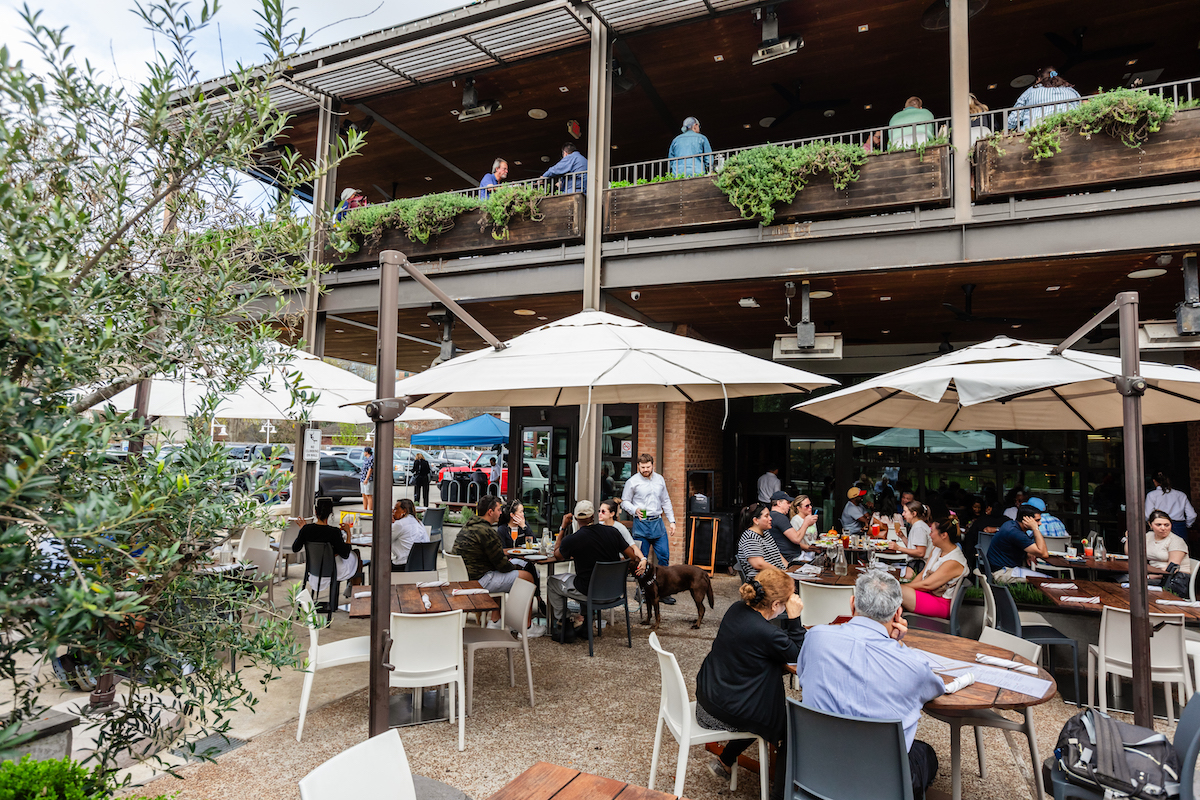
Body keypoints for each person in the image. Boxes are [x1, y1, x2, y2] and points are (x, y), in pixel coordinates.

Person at [797, 570, 943, 799]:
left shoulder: (816, 637)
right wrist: (897, 647)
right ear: (898, 613)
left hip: (816, 767)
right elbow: (935, 690)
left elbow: (803, 677)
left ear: (852, 603)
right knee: (926, 755)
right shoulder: (913, 666)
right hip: (880, 783)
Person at [695, 565, 804, 800]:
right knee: (790, 723)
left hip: (710, 695)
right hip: (726, 710)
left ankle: (725, 760)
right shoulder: (767, 634)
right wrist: (795, 620)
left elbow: (762, 646)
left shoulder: (737, 609)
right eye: (787, 602)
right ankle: (782, 791)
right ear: (776, 606)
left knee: (764, 698)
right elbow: (797, 653)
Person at [549, 500, 646, 643]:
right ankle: (586, 623)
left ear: (575, 518)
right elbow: (631, 555)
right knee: (584, 578)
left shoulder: (574, 539)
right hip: (614, 591)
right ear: (593, 516)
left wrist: (563, 527)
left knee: (552, 582)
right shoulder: (613, 531)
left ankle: (564, 623)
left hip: (589, 591)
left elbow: (557, 555)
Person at [451, 495, 536, 624]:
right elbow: (502, 565)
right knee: (527, 577)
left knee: (500, 576)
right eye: (499, 509)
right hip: (479, 582)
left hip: (463, 580)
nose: (501, 513)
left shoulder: (467, 527)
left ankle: (495, 621)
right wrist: (516, 567)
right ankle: (526, 626)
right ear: (490, 512)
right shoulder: (487, 531)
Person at [900, 516, 968, 619]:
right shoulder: (937, 549)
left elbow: (928, 584)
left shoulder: (954, 561)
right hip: (929, 594)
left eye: (932, 531)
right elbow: (923, 573)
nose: (929, 534)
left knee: (894, 591)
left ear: (944, 535)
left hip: (942, 603)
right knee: (894, 591)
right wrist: (907, 587)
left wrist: (903, 587)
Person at [292, 497, 361, 597]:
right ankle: (353, 590)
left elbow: (295, 548)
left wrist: (303, 531)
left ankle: (351, 588)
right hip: (333, 569)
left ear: (315, 512)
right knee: (356, 553)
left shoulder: (306, 529)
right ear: (330, 513)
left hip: (314, 569)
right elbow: (345, 554)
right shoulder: (334, 532)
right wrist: (348, 535)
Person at [620, 453, 676, 573]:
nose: (645, 470)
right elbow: (624, 502)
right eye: (643, 467)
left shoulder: (659, 479)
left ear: (652, 466)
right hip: (641, 523)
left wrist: (672, 521)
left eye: (648, 467)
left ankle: (663, 586)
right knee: (640, 559)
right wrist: (634, 510)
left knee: (664, 557)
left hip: (657, 522)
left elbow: (665, 500)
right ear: (638, 466)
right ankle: (640, 589)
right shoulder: (632, 482)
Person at [987, 503, 1049, 582]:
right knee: (1046, 580)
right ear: (1026, 520)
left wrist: (1028, 552)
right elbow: (1044, 554)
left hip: (1002, 568)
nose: (1040, 523)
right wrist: (1035, 528)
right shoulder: (1015, 533)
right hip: (1002, 573)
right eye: (1037, 521)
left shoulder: (1010, 524)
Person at [1006, 66, 1081, 131]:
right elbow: (1081, 108)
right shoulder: (1071, 91)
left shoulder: (1030, 91)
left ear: (1039, 79)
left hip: (1035, 130)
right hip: (1068, 127)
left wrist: (1006, 130)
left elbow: (1015, 116)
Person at [1127, 510, 1192, 574]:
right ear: (1150, 525)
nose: (1163, 528)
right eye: (1158, 525)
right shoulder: (1149, 536)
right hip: (1153, 573)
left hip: (1172, 578)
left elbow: (1172, 568)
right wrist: (1129, 538)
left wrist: (1148, 577)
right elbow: (1129, 553)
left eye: (1167, 525)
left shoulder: (1176, 541)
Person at [736, 503, 786, 581]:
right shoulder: (750, 538)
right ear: (756, 520)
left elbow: (777, 555)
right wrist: (782, 572)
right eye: (766, 516)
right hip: (763, 581)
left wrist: (788, 570)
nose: (770, 518)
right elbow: (759, 564)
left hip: (776, 576)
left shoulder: (766, 533)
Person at [1145, 472, 1196, 541]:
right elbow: (1192, 515)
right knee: (1179, 549)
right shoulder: (1181, 495)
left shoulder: (1151, 495)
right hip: (1179, 527)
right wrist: (1186, 525)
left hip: (1160, 527)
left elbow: (1148, 515)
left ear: (1154, 481)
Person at [768, 491, 814, 563]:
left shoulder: (770, 516)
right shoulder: (780, 517)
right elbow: (796, 539)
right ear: (779, 503)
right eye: (788, 503)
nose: (789, 505)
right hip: (790, 559)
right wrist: (806, 523)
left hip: (783, 558)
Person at [889, 500, 932, 573]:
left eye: (905, 512)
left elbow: (920, 553)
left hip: (919, 566)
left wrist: (898, 548)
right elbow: (913, 548)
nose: (903, 514)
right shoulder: (917, 525)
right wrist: (902, 537)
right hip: (916, 564)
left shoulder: (919, 527)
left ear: (914, 513)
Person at [390, 498, 428, 571]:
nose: (393, 511)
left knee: (376, 564)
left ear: (404, 511)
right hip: (421, 563)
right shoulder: (419, 522)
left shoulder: (400, 524)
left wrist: (391, 523)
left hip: (404, 564)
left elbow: (384, 539)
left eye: (395, 509)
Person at [788, 495, 822, 562]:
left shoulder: (810, 518)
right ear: (799, 508)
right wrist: (813, 549)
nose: (810, 507)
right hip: (801, 557)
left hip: (813, 555)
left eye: (810, 505)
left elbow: (813, 538)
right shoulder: (795, 520)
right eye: (807, 506)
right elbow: (795, 542)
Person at [358, 447, 374, 512]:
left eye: (364, 452)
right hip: (363, 478)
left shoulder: (371, 459)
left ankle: (370, 510)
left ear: (367, 452)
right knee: (364, 494)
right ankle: (364, 509)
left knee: (368, 495)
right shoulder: (365, 459)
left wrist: (367, 478)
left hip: (368, 479)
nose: (364, 453)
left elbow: (370, 469)